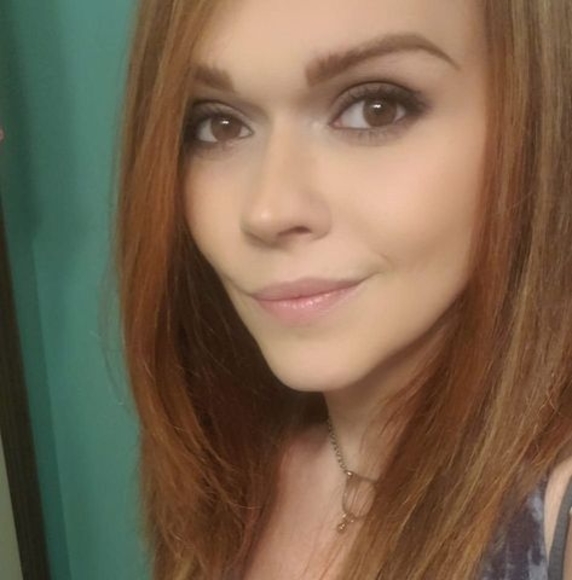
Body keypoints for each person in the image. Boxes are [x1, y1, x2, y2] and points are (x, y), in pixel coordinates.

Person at [116, 0, 572, 578]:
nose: (268, 211)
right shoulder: (231, 475)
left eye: (375, 109)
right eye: (218, 123)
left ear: (536, 120)